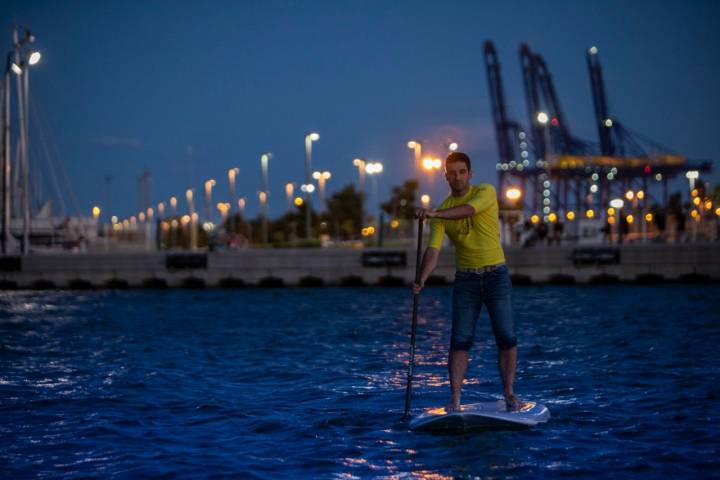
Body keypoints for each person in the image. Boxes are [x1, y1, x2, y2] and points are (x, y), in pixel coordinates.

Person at [413, 152, 521, 412]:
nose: (458, 177)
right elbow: (433, 251)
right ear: (446, 176)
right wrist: (421, 279)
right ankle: (455, 400)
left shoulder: (484, 191)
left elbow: (468, 210)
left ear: (470, 174)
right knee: (459, 341)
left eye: (462, 172)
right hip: (466, 281)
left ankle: (509, 393)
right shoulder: (441, 213)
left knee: (506, 336)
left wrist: (434, 213)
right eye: (453, 172)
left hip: (496, 276)